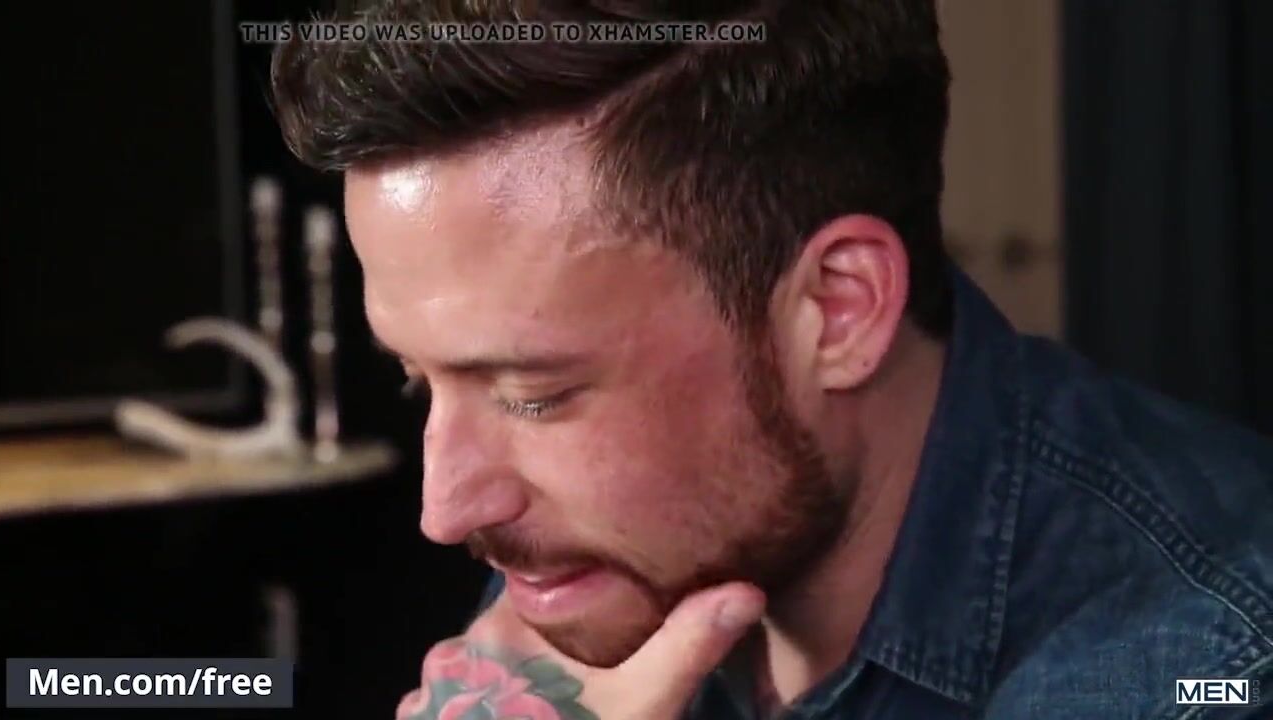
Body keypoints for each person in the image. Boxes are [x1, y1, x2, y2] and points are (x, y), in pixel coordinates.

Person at [269, 1, 1273, 717]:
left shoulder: (1202, 670)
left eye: (534, 394)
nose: (446, 510)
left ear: (836, 310)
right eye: (420, 380)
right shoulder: (603, 542)